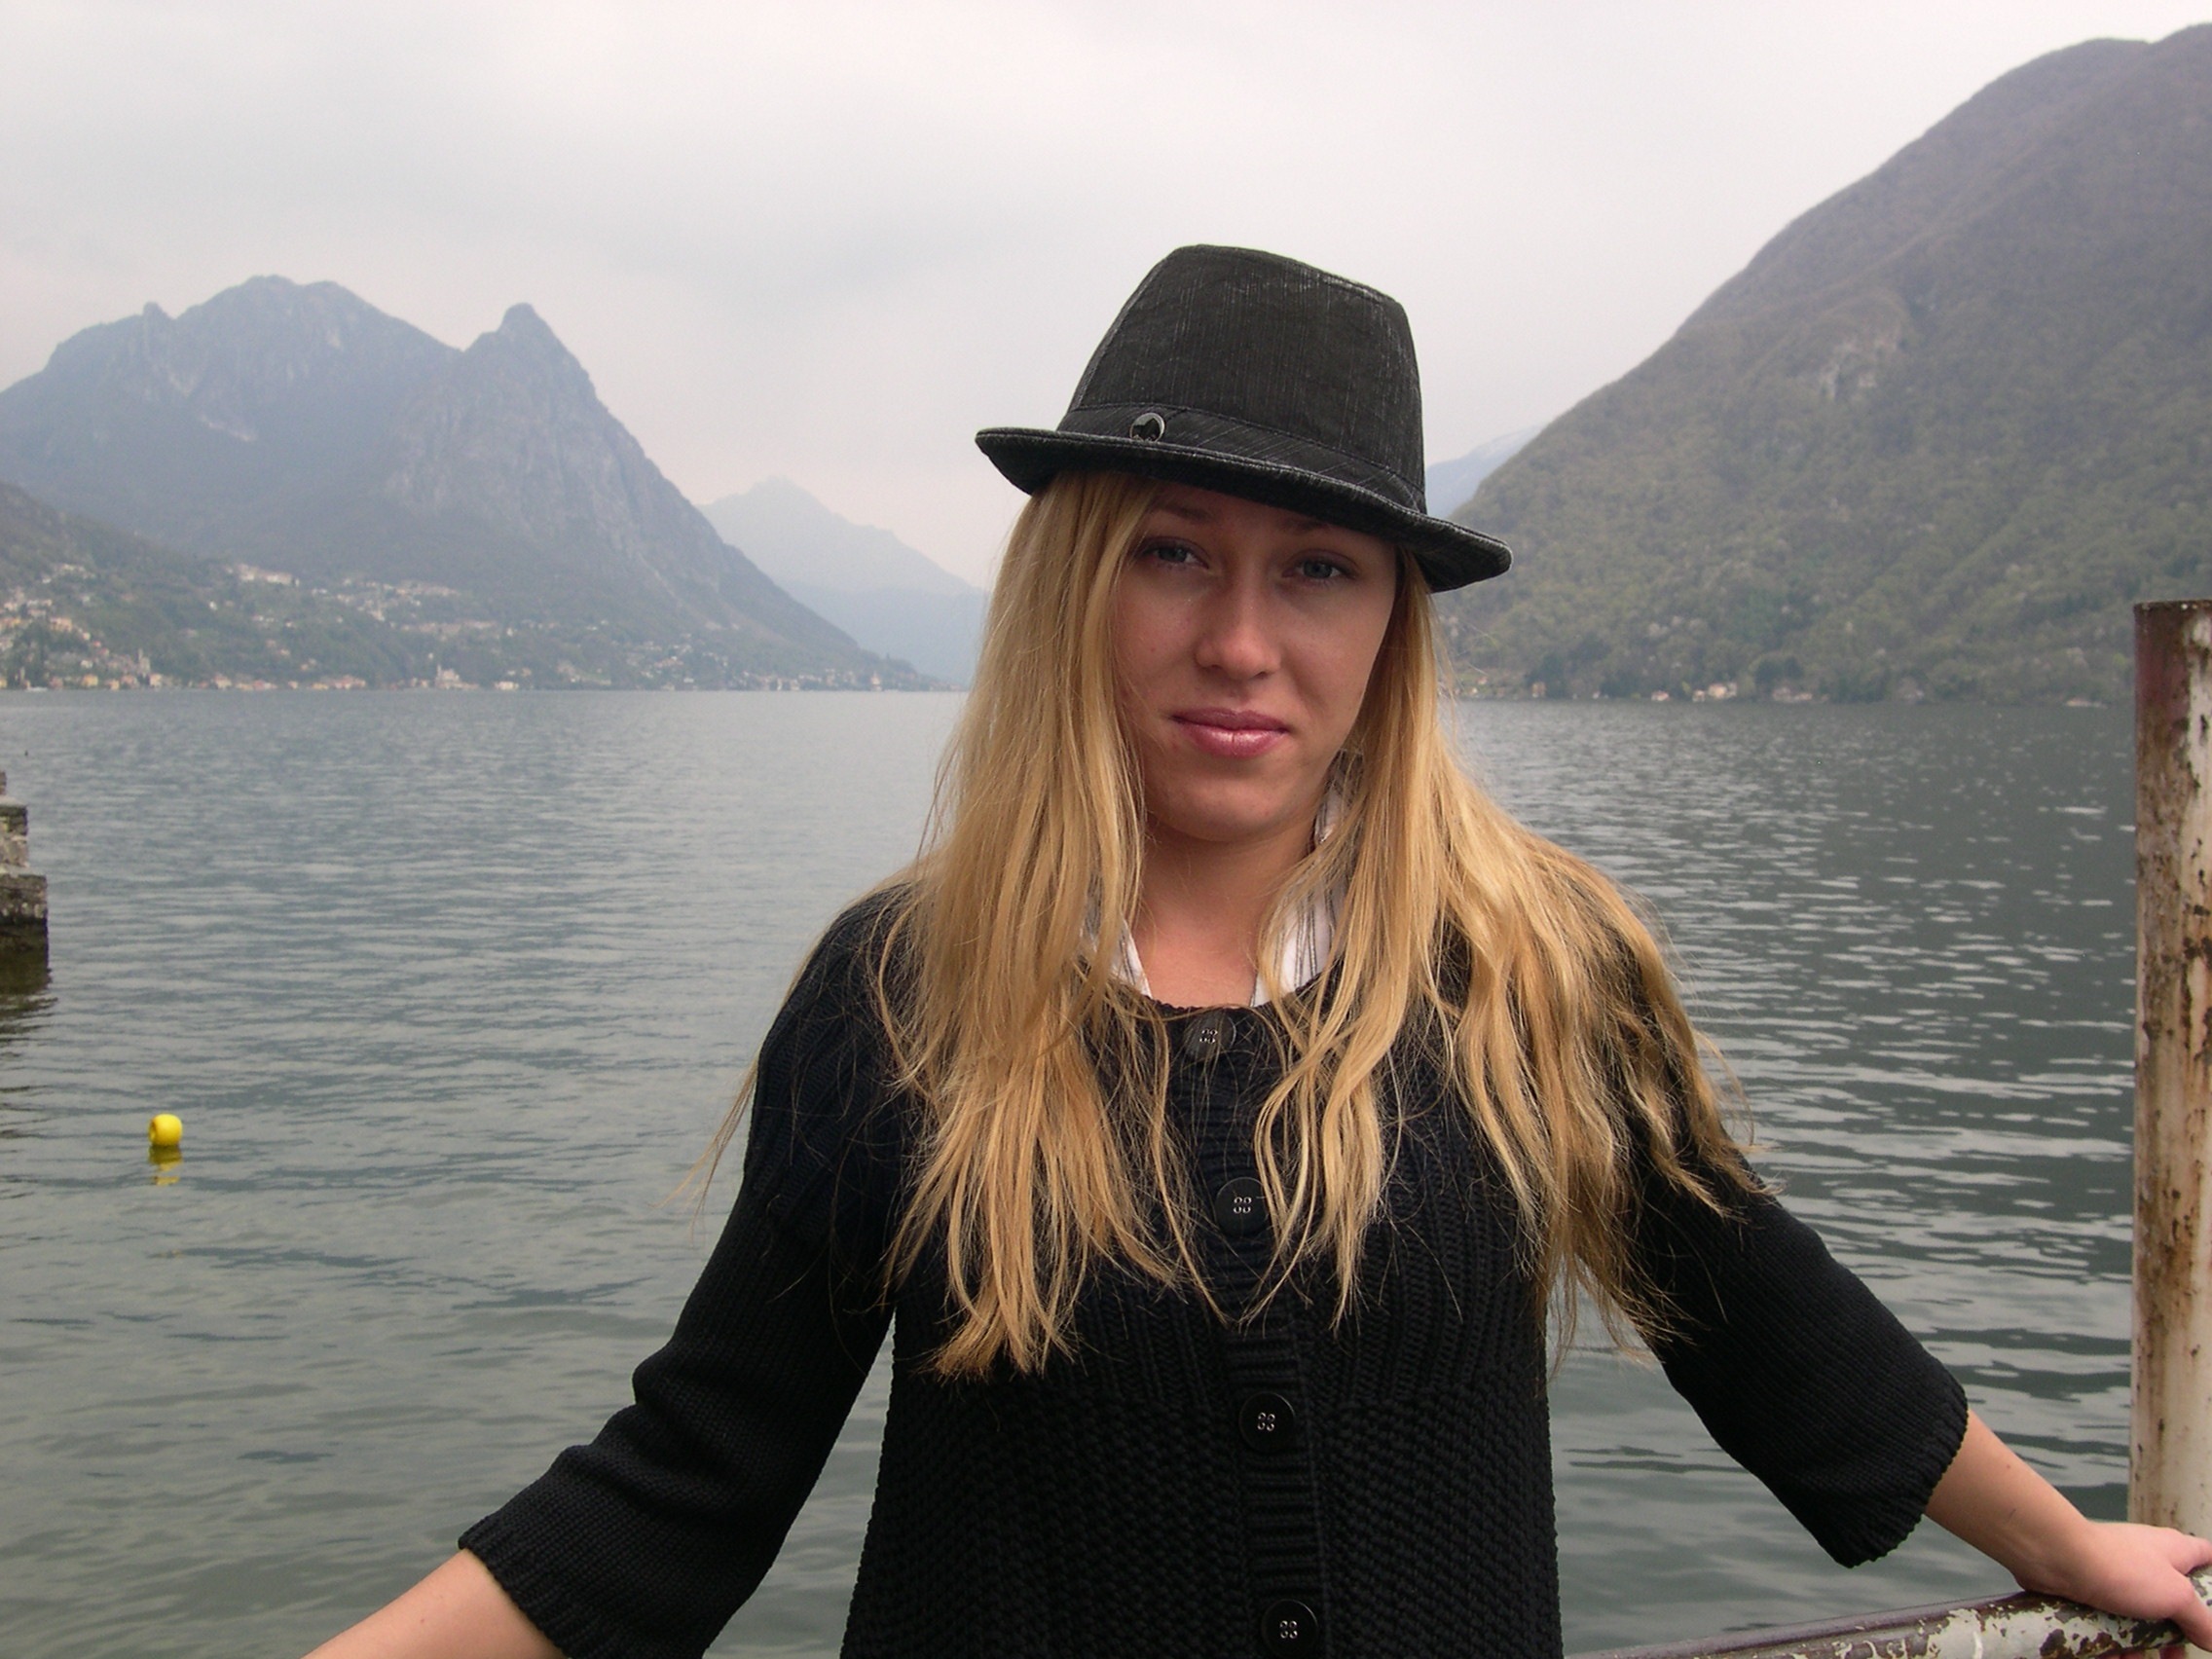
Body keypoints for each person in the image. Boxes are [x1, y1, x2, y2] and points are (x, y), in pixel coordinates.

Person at [307, 246, 2212, 1659]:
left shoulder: (1529, 970)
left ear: (1391, 622)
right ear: (1075, 583)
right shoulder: (899, 996)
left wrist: (2068, 1551)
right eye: (1173, 551)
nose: (1241, 639)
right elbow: (688, 1480)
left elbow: (1766, 1318)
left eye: (1317, 569)